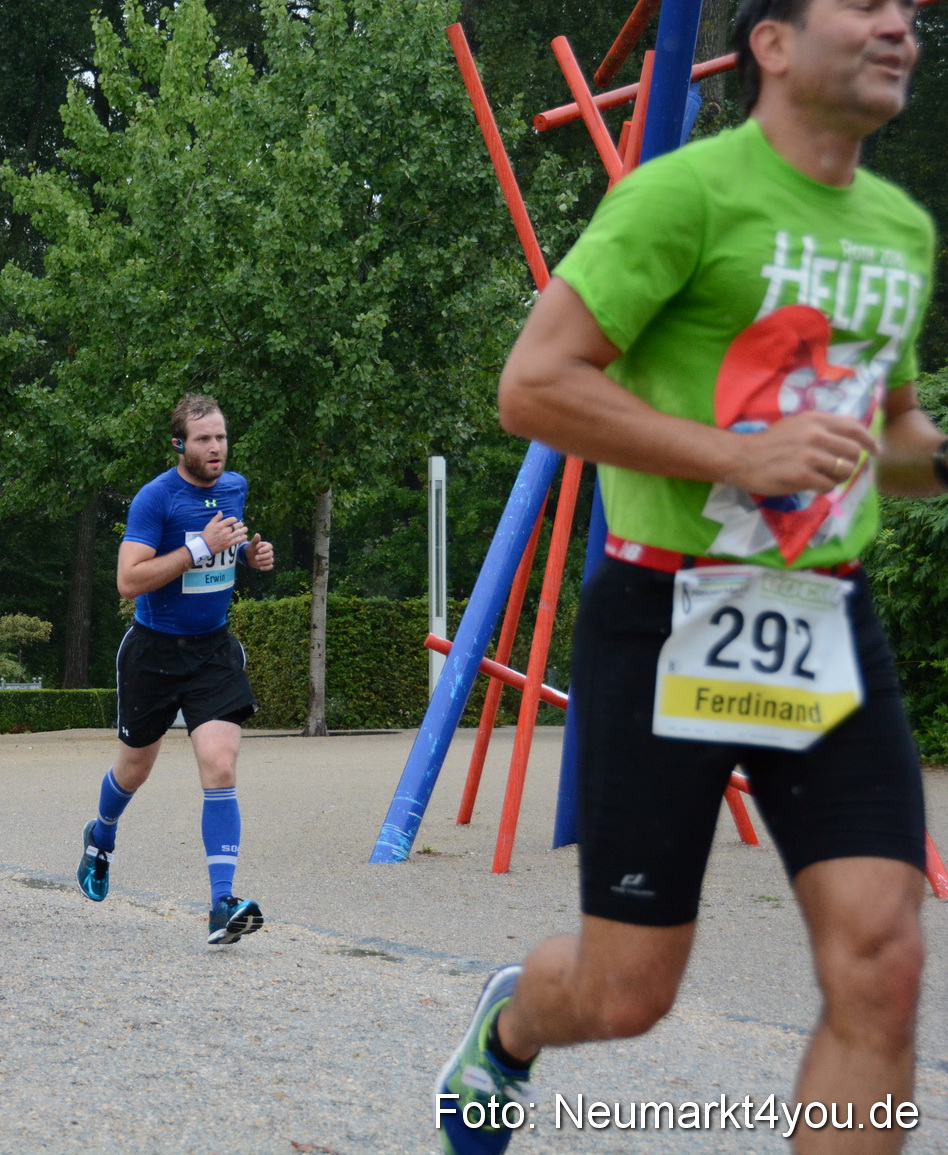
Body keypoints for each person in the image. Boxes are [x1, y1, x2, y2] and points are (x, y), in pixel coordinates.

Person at [435, 3, 938, 1153]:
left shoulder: (899, 228)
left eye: (907, 12)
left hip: (823, 613)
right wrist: (735, 457)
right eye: (862, 5)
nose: (897, 27)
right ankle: (515, 1022)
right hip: (666, 612)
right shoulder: (682, 196)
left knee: (883, 960)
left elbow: (893, 437)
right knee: (624, 994)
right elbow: (532, 385)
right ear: (772, 43)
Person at [74, 395, 275, 945]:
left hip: (213, 652)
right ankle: (101, 834)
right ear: (179, 444)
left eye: (221, 437)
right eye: (204, 439)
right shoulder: (155, 498)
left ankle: (221, 905)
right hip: (154, 654)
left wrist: (248, 556)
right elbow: (128, 580)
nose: (216, 447)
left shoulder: (234, 487)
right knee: (134, 770)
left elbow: (225, 550)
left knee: (220, 764)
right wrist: (199, 547)